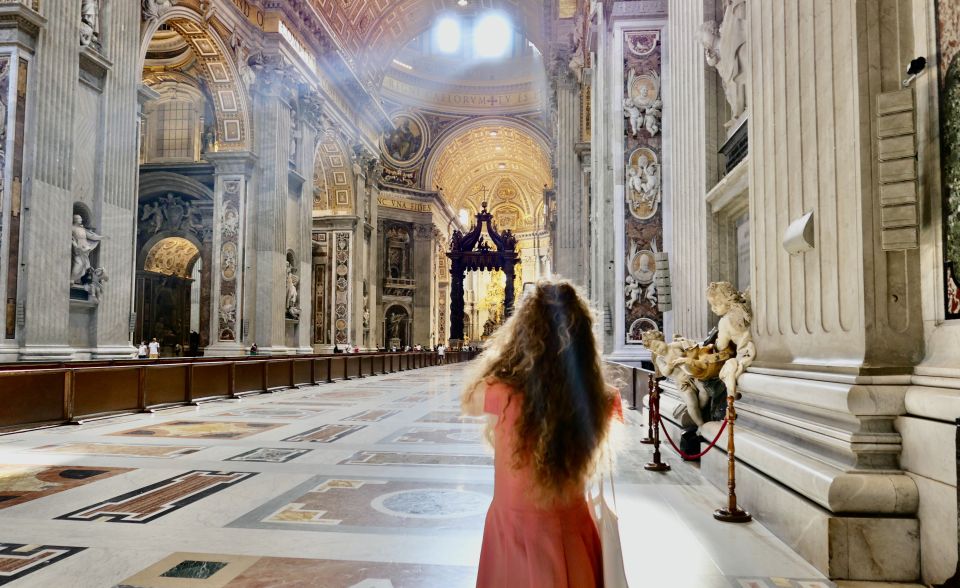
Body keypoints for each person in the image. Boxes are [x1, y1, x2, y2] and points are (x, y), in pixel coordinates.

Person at [461, 280, 620, 588]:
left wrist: (509, 352)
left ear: (523, 333)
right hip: (572, 528)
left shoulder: (499, 392)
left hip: (514, 526)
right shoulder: (602, 397)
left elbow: (469, 401)